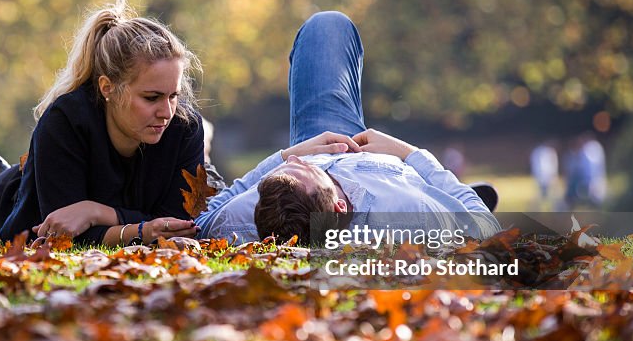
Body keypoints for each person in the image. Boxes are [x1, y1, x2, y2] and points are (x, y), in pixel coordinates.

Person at [194, 12, 500, 244]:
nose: (295, 162)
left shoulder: (244, 217)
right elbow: (486, 227)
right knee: (329, 27)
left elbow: (205, 219)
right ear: (340, 207)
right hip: (383, 168)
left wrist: (287, 154)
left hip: (324, 140)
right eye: (305, 169)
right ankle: (453, 195)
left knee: (325, 26)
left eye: (285, 168)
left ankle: (450, 197)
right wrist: (409, 153)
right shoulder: (409, 213)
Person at [0, 0, 205, 245]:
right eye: (151, 98)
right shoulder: (64, 120)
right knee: (6, 191)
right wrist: (142, 230)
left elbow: (176, 226)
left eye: (174, 96)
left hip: (61, 186)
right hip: (7, 206)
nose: (167, 112)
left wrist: (94, 212)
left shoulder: (186, 127)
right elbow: (61, 236)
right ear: (107, 88)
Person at [530, 141, 559, 208]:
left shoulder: (550, 152)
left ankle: (556, 209)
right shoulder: (539, 152)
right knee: (541, 194)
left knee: (552, 195)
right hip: (542, 177)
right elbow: (538, 166)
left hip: (548, 177)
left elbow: (553, 165)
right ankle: (535, 208)